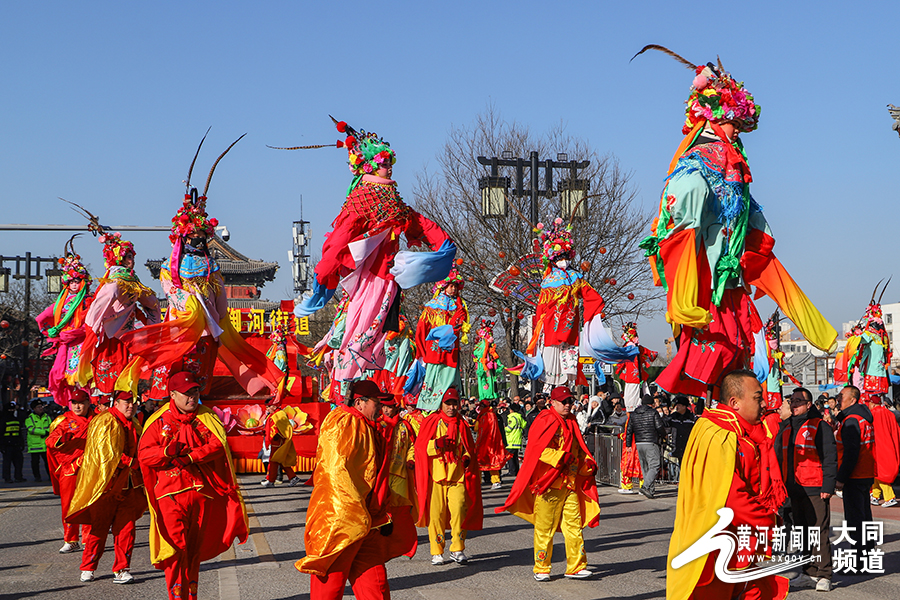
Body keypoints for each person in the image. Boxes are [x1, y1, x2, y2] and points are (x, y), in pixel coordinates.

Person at [635, 45, 837, 398]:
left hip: (733, 269)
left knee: (736, 346)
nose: (736, 129)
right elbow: (685, 200)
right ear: (713, 116)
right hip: (708, 270)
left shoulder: (734, 161)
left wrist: (755, 229)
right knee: (718, 346)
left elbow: (748, 209)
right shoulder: (699, 158)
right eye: (733, 122)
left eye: (740, 123)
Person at [293, 119, 456, 398]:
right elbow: (339, 239)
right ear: (368, 165)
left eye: (389, 161)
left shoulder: (390, 199)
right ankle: (342, 395)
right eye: (383, 162)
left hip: (387, 280)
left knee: (376, 338)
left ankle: (358, 390)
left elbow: (418, 222)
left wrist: (445, 246)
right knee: (360, 335)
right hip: (370, 280)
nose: (389, 167)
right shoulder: (364, 199)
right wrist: (324, 276)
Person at [117, 139, 282, 399]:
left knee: (204, 368)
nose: (197, 240)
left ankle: (204, 396)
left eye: (201, 236)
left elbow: (220, 294)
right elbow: (172, 290)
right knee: (180, 368)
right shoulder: (169, 268)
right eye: (192, 236)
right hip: (183, 322)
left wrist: (218, 315)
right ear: (182, 236)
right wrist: (192, 306)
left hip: (208, 325)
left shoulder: (211, 264)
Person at [667, 369, 789, 599]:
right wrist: (768, 522)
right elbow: (730, 497)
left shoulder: (739, 430)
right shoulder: (718, 433)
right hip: (718, 546)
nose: (764, 403)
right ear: (734, 402)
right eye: (757, 397)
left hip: (741, 543)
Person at [138, 371, 248, 600]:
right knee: (176, 549)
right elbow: (145, 455)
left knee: (193, 551)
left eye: (195, 392)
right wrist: (166, 452)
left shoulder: (207, 416)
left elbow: (218, 444)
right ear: (172, 394)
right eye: (186, 393)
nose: (191, 397)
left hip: (202, 494)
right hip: (170, 495)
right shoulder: (158, 420)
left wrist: (192, 456)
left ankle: (191, 596)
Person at [296, 379, 395, 599]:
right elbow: (334, 471)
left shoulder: (368, 426)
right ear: (360, 403)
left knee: (376, 588)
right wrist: (352, 514)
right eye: (376, 402)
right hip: (342, 522)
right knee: (329, 589)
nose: (380, 407)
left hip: (367, 522)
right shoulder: (343, 422)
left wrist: (381, 513)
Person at [496, 386, 599, 581]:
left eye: (570, 401)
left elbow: (578, 450)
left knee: (574, 526)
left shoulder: (572, 422)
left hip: (569, 483)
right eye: (564, 402)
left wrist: (587, 465)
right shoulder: (545, 419)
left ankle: (576, 566)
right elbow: (537, 450)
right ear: (553, 402)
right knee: (545, 528)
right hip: (547, 484)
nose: (568, 404)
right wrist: (561, 457)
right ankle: (541, 567)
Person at [67, 391, 145, 584]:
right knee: (99, 529)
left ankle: (122, 569)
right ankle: (88, 567)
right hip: (105, 487)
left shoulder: (134, 423)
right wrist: (132, 462)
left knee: (127, 529)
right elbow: (105, 454)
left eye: (133, 403)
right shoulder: (104, 421)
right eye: (126, 403)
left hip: (128, 486)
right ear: (116, 403)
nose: (130, 406)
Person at [76, 228, 160, 395]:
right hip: (112, 338)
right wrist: (93, 332)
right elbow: (96, 309)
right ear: (119, 259)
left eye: (132, 257)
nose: (132, 261)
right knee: (111, 381)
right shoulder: (114, 283)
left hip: (129, 337)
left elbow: (151, 302)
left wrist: (151, 321)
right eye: (129, 257)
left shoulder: (133, 281)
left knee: (127, 382)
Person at [774, 387, 837, 592]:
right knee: (802, 532)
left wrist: (828, 485)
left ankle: (824, 574)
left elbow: (829, 456)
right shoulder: (786, 427)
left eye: (799, 401)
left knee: (819, 531)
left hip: (815, 488)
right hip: (792, 489)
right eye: (792, 401)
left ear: (809, 405)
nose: (794, 404)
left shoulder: (819, 426)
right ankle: (808, 572)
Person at [414, 387, 483, 565]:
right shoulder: (431, 421)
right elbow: (420, 448)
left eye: (454, 403)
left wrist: (467, 457)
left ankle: (457, 548)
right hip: (436, 476)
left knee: (459, 510)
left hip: (457, 475)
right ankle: (437, 551)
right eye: (448, 403)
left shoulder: (462, 424)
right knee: (436, 515)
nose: (452, 407)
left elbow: (468, 447)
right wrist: (436, 444)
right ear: (441, 404)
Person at [35, 237, 93, 407]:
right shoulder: (62, 302)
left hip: (81, 340)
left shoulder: (88, 301)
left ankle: (85, 402)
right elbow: (43, 317)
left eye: (77, 281)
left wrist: (76, 332)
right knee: (62, 373)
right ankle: (71, 404)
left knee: (82, 375)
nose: (74, 285)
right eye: (71, 282)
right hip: (65, 343)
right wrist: (53, 331)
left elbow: (91, 322)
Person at [413, 270, 469, 411]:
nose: (454, 289)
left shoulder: (459, 306)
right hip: (435, 349)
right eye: (451, 285)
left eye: (456, 286)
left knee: (450, 375)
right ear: (443, 286)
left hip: (451, 349)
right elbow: (422, 329)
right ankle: (431, 405)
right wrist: (423, 348)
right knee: (435, 373)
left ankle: (449, 402)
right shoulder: (433, 306)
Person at [46, 389, 93, 552]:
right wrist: (61, 439)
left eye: (81, 403)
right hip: (70, 468)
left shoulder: (98, 419)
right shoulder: (64, 421)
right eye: (74, 403)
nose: (77, 406)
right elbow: (50, 440)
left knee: (88, 503)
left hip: (91, 467)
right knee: (68, 505)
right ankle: (71, 539)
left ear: (88, 403)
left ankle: (88, 539)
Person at [378, 392, 419, 561]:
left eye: (390, 407)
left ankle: (401, 536)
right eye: (385, 407)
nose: (387, 410)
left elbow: (412, 445)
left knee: (401, 506)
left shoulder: (405, 426)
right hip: (382, 472)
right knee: (382, 504)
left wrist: (411, 459)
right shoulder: (378, 424)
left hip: (400, 472)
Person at [834, 385, 875, 549]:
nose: (838, 399)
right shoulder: (862, 418)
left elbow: (851, 452)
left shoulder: (852, 420)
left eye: (841, 396)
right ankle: (866, 554)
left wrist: (841, 478)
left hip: (854, 475)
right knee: (864, 517)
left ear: (853, 399)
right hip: (864, 473)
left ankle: (858, 561)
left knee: (855, 519)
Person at [625, 394, 666, 499]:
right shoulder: (653, 412)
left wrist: (628, 444)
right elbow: (659, 426)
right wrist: (663, 435)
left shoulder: (634, 414)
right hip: (651, 441)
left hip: (639, 443)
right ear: (651, 403)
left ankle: (650, 491)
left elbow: (629, 430)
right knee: (655, 465)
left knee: (645, 467)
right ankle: (645, 486)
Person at [614, 322, 659, 411]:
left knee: (634, 402)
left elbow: (652, 354)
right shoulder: (631, 348)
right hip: (633, 377)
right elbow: (652, 354)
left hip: (635, 377)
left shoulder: (635, 348)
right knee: (632, 402)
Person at [867, 394, 900, 508]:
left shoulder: (872, 414)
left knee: (880, 472)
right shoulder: (889, 414)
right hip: (889, 445)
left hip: (877, 446)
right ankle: (875, 495)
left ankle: (890, 497)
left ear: (872, 403)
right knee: (876, 471)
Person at [261, 403, 302, 488]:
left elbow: (285, 428)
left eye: (269, 407)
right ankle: (293, 477)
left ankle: (271, 480)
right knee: (280, 461)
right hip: (274, 441)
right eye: (266, 407)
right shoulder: (271, 415)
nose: (267, 409)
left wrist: (279, 435)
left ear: (274, 406)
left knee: (274, 460)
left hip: (279, 442)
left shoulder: (280, 414)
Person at [473, 319, 504, 400]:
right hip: (483, 368)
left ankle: (491, 395)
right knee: (485, 383)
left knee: (491, 382)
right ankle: (486, 395)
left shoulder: (491, 349)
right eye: (489, 335)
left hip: (490, 369)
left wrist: (500, 365)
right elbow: (478, 354)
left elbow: (496, 357)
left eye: (491, 335)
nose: (491, 338)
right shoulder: (480, 347)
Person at [666, 396, 695, 482]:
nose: (677, 407)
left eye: (679, 405)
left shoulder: (692, 418)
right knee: (681, 464)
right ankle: (683, 482)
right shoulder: (673, 417)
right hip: (678, 445)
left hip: (688, 446)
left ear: (684, 406)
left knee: (688, 466)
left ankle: (687, 482)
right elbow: (664, 423)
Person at [25, 399, 51, 481]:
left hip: (45, 444)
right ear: (34, 409)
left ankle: (50, 477)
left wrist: (48, 432)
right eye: (39, 407)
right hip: (35, 445)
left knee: (48, 462)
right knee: (35, 463)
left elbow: (52, 426)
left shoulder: (47, 417)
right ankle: (37, 477)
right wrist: (44, 432)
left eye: (41, 406)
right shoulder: (30, 418)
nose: (41, 408)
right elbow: (31, 429)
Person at [1, 398, 25, 483]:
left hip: (16, 444)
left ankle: (18, 477)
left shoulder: (16, 420)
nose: (11, 411)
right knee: (7, 463)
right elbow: (1, 433)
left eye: (13, 409)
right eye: (9, 409)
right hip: (7, 445)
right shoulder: (3, 420)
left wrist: (22, 443)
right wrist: (2, 446)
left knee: (19, 462)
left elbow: (19, 432)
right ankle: (7, 478)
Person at [503, 402, 525, 477]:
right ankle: (516, 470)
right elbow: (524, 424)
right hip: (517, 439)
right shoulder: (519, 417)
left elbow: (509, 428)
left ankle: (512, 471)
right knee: (515, 456)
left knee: (509, 457)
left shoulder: (512, 418)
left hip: (511, 439)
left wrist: (503, 429)